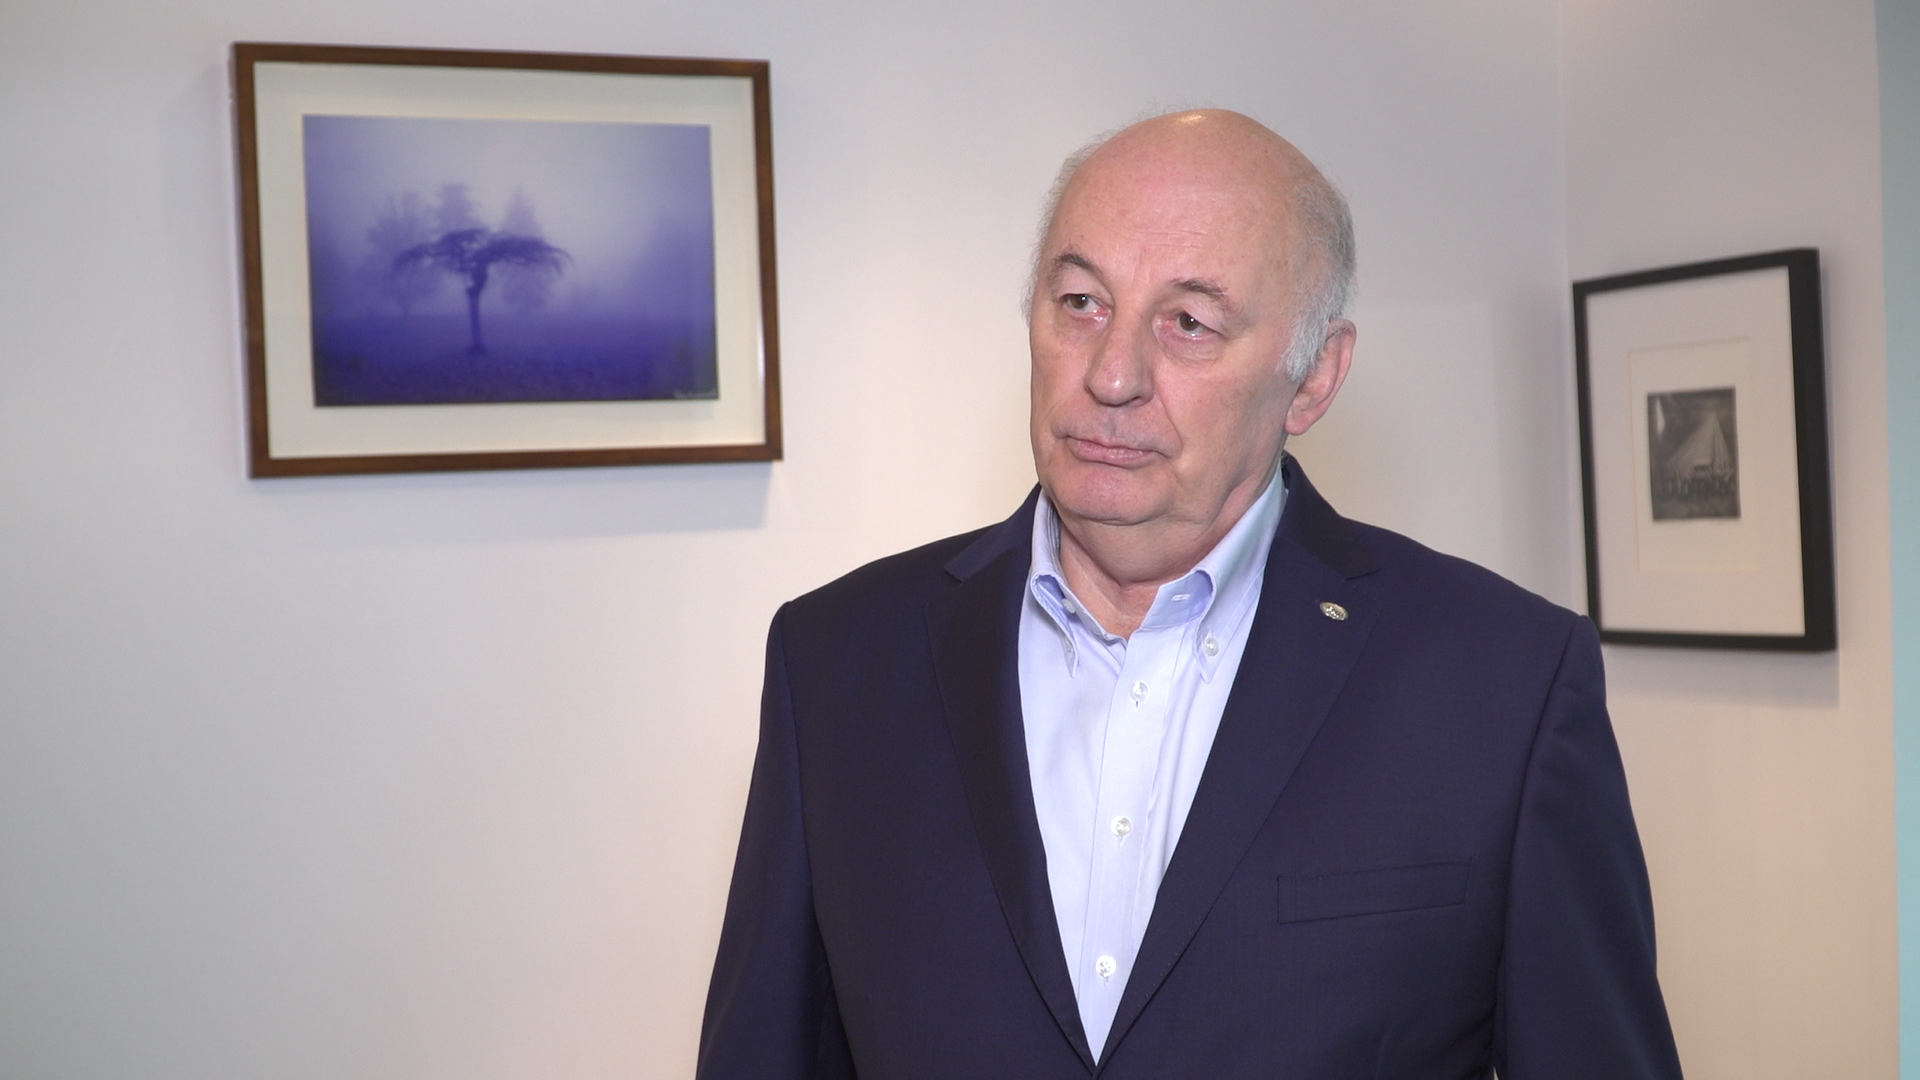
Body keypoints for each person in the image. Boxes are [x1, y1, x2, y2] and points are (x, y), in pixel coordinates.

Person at [697, 109, 1682, 1079]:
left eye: (1189, 323)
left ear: (1313, 377)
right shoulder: (838, 662)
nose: (1112, 374)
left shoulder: (1503, 687)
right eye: (1081, 302)